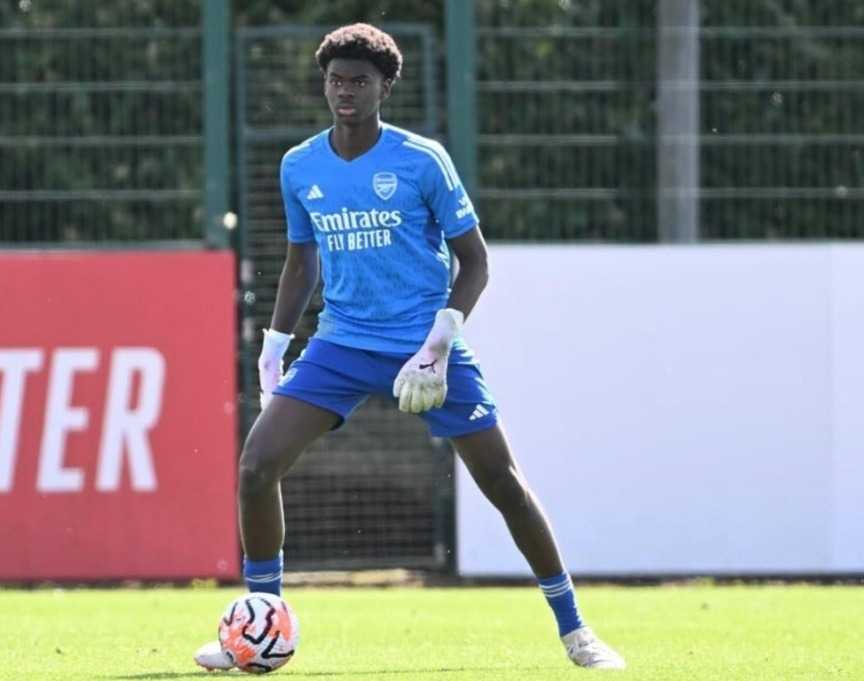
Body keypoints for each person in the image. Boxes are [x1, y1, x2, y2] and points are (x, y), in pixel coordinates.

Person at [196, 22, 625, 670]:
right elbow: (301, 262)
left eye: (359, 82)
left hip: (424, 344)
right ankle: (259, 628)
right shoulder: (299, 165)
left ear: (385, 87)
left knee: (502, 482)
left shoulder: (422, 160)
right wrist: (275, 344)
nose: (345, 91)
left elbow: (475, 261)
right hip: (340, 344)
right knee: (256, 467)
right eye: (335, 80)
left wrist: (440, 342)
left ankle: (576, 630)